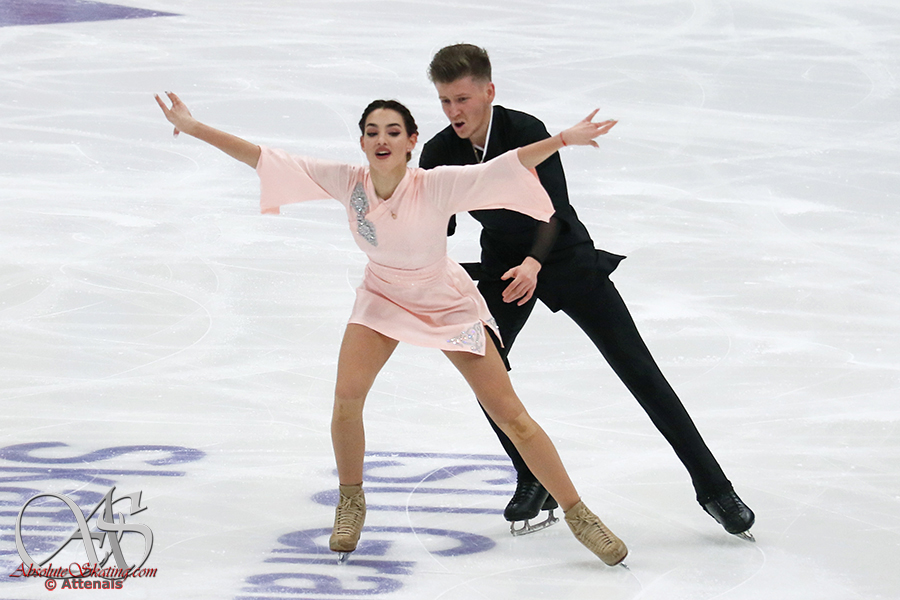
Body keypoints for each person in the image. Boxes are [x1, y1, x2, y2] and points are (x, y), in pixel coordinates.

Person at [154, 92, 630, 565]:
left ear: (411, 142)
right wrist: (194, 127)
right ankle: (350, 502)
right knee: (346, 399)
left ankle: (579, 514)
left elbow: (504, 168)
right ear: (362, 142)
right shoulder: (348, 181)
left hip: (447, 305)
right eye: (373, 132)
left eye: (393, 132)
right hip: (382, 298)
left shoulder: (435, 185)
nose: (382, 140)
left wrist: (562, 139)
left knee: (511, 415)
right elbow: (262, 157)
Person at [419, 44, 755, 540]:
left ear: (489, 91)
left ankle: (715, 488)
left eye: (462, 99)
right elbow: (435, 223)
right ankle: (533, 476)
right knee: (485, 370)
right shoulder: (439, 152)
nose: (454, 111)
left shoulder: (525, 131)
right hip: (502, 271)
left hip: (563, 257)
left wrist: (534, 263)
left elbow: (553, 210)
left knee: (639, 370)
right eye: (445, 101)